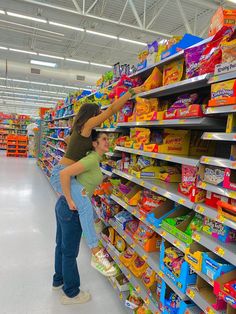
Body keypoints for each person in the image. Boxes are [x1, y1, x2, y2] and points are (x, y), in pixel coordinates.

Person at [50, 85, 144, 274]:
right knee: (84, 205)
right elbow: (111, 110)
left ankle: (63, 274)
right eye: (97, 113)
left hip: (65, 172)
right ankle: (96, 253)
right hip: (63, 174)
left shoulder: (79, 129)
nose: (100, 115)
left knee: (84, 210)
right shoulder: (86, 125)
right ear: (91, 114)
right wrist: (130, 93)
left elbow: (69, 143)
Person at [52, 131, 114, 304]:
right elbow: (64, 174)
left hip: (63, 205)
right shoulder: (91, 159)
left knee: (61, 247)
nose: (107, 141)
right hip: (72, 208)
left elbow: (69, 140)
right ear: (94, 143)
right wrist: (72, 200)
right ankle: (71, 293)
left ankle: (58, 281)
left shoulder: (91, 156)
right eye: (103, 139)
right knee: (70, 253)